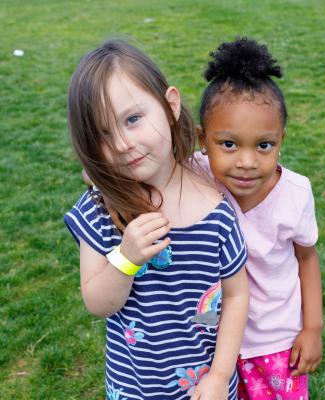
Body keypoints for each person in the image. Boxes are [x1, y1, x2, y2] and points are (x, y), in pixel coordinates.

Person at [64, 39, 249, 400]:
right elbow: (97, 303)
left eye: (132, 119)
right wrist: (125, 260)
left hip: (205, 387)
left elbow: (237, 296)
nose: (121, 145)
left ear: (171, 106)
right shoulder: (101, 210)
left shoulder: (217, 208)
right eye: (103, 134)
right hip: (135, 389)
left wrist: (219, 376)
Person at [196, 37, 323, 399]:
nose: (247, 162)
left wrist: (312, 328)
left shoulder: (296, 194)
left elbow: (307, 258)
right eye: (229, 144)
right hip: (212, 341)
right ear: (203, 141)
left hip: (276, 342)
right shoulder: (196, 174)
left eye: (263, 145)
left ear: (281, 140)